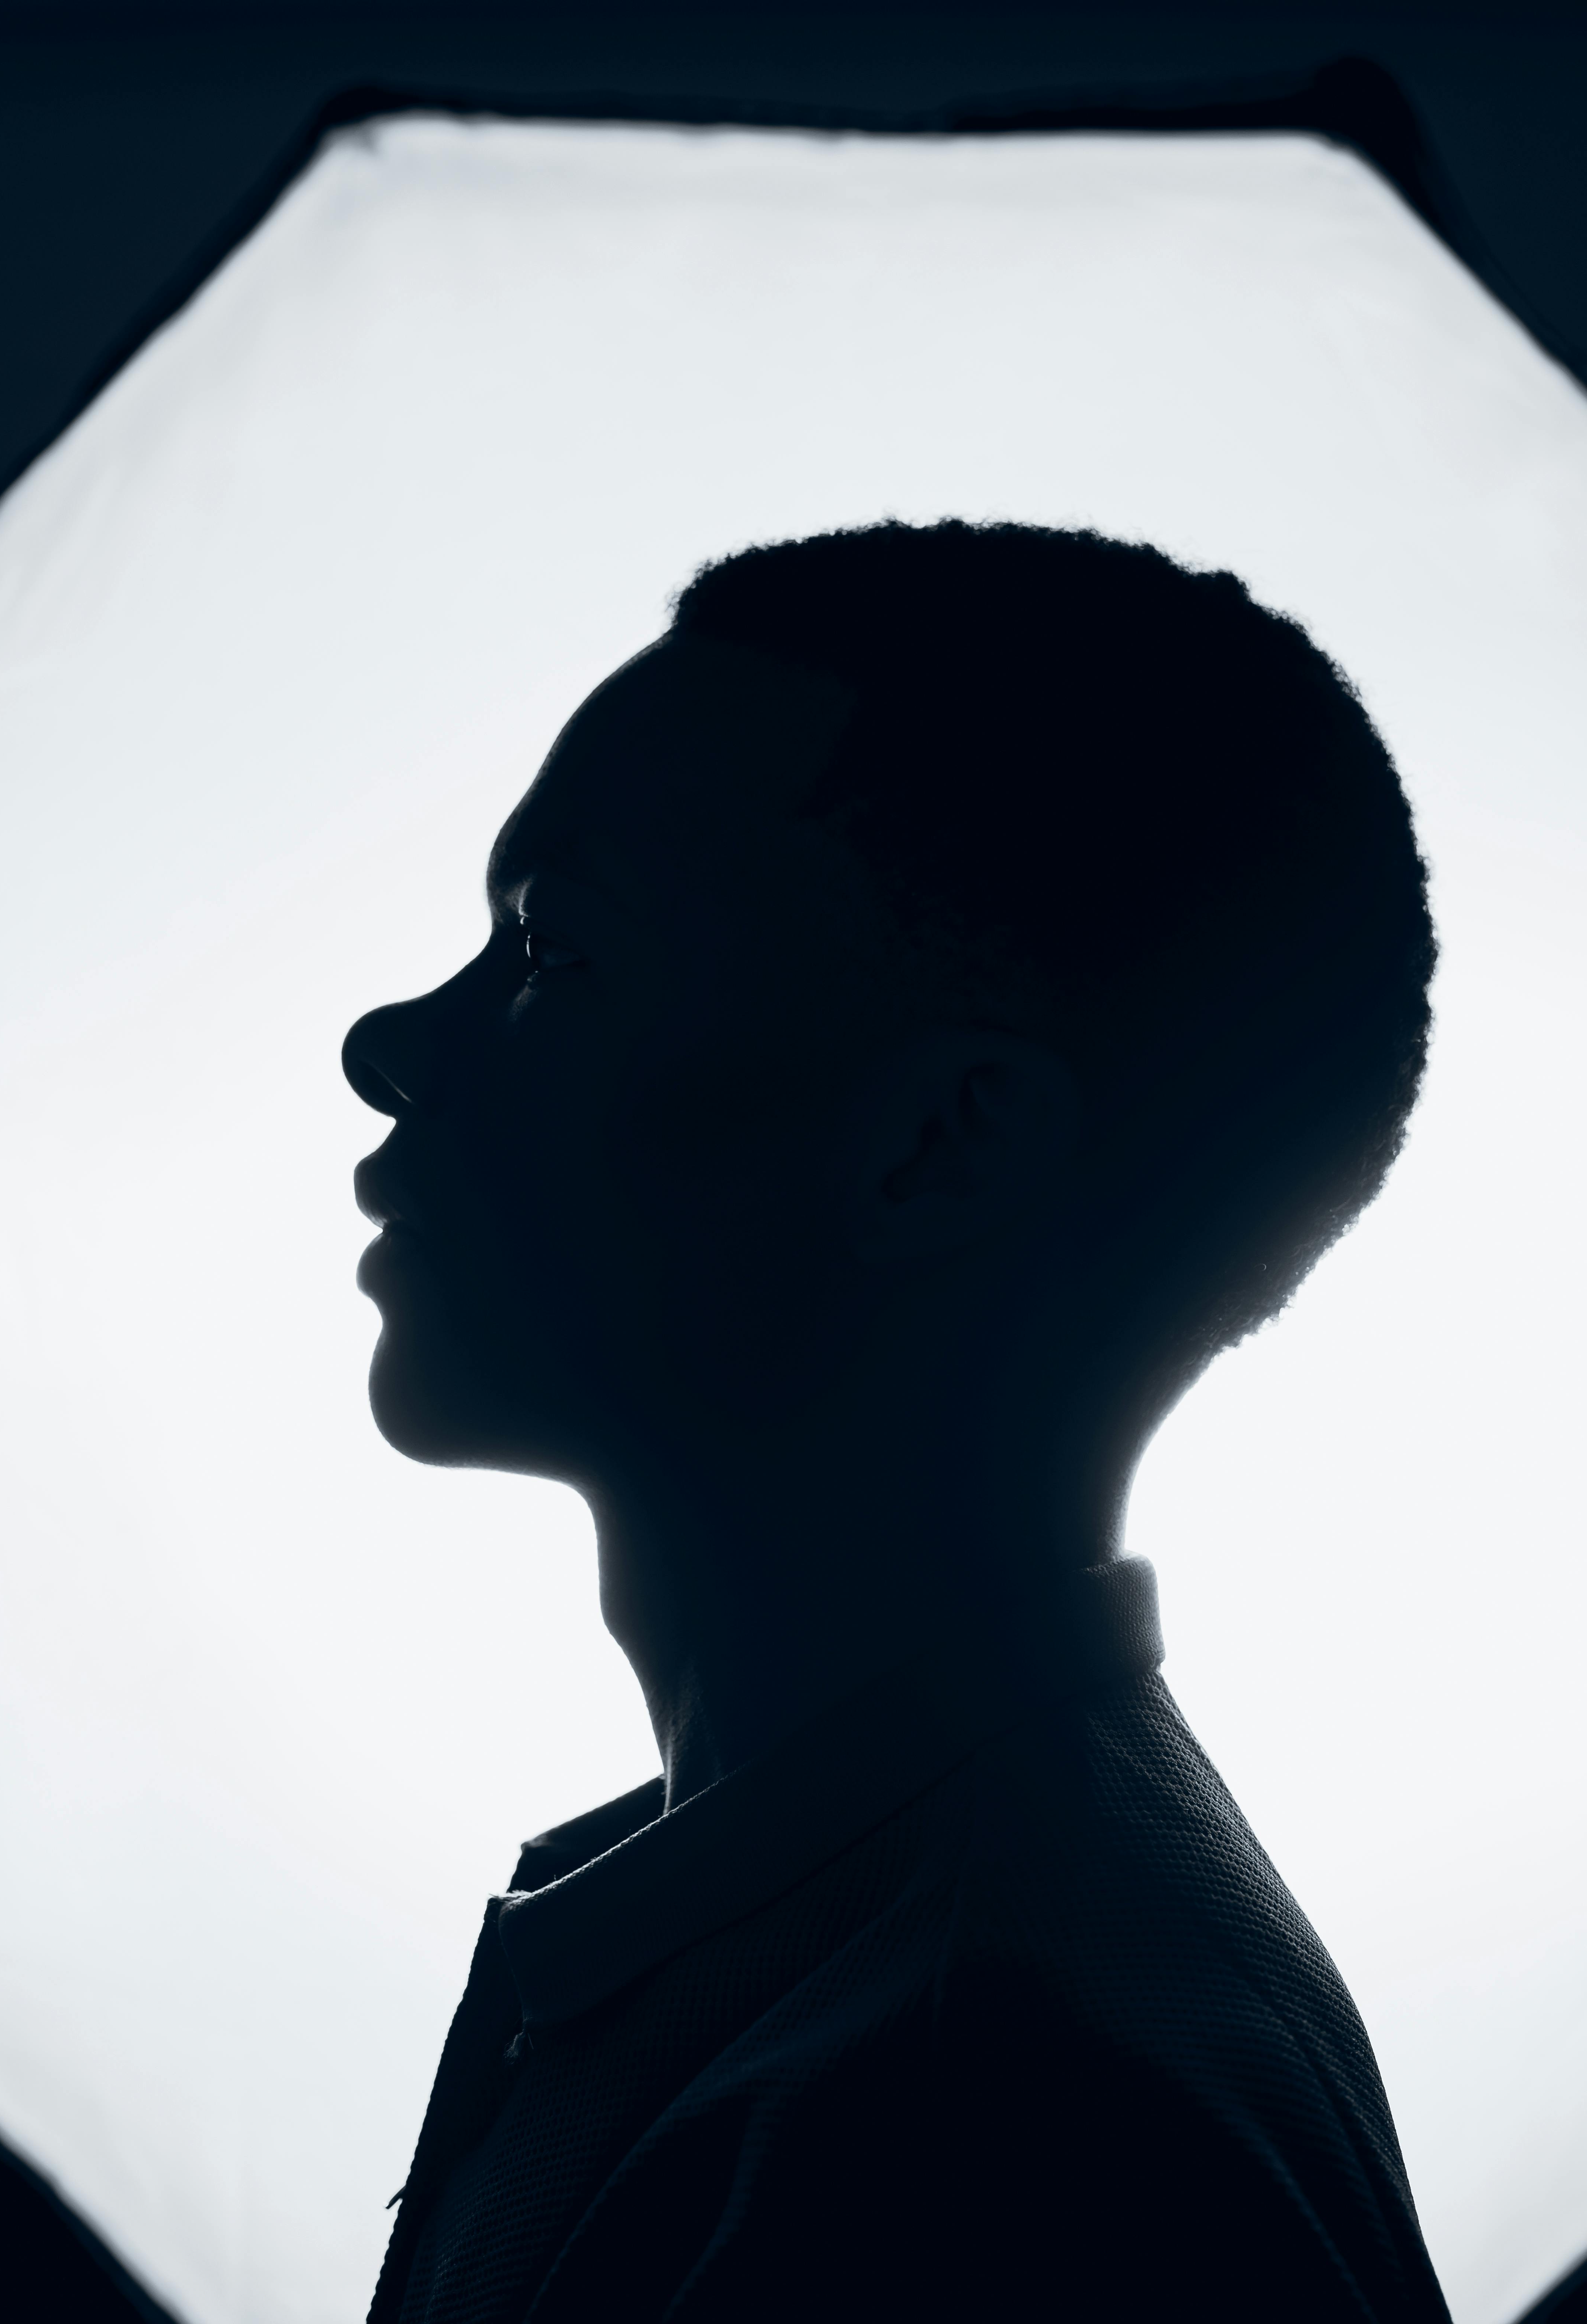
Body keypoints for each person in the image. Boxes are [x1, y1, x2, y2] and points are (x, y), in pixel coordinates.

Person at [342, 519, 1449, 2323]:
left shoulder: (981, 2140)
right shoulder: (867, 1965)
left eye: (553, 953)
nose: (387, 1040)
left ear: (938, 1145)